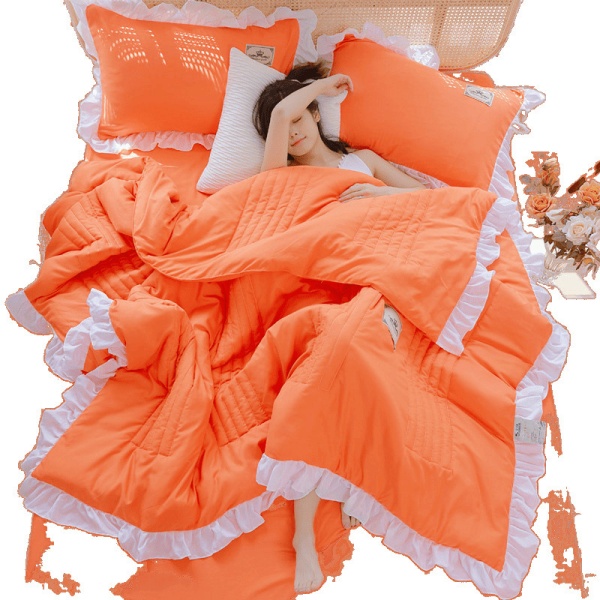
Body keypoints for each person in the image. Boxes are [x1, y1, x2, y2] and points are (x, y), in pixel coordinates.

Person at [253, 64, 426, 594]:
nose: (294, 130)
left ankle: (350, 476)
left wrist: (376, 195)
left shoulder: (362, 162)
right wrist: (317, 88)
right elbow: (280, 117)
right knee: (327, 363)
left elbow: (432, 199)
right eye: (282, 125)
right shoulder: (281, 179)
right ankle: (304, 535)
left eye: (302, 117)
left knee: (359, 354)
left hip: (381, 274)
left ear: (316, 116)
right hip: (319, 287)